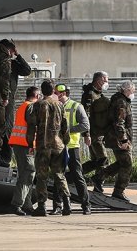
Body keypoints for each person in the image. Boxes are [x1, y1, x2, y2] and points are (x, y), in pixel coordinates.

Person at [27, 79, 70, 217]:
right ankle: (66, 204)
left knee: (42, 177)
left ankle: (42, 206)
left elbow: (32, 126)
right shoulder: (59, 105)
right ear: (53, 91)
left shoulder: (38, 105)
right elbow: (65, 125)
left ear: (42, 90)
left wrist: (30, 144)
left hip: (43, 145)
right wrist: (66, 141)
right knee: (59, 175)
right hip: (58, 145)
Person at [52, 84, 92, 215]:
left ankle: (86, 205)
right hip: (58, 146)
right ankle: (57, 206)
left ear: (63, 94)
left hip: (72, 146)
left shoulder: (76, 106)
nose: (54, 95)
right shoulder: (54, 106)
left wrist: (68, 130)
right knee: (58, 176)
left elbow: (85, 125)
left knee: (77, 176)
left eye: (56, 93)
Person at [101, 80, 135, 202]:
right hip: (118, 139)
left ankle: (99, 177)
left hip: (116, 137)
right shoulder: (121, 102)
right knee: (127, 164)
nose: (133, 93)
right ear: (126, 90)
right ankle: (118, 191)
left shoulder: (122, 100)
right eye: (132, 90)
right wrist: (124, 139)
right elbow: (119, 123)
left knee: (122, 163)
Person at [8, 86, 39, 216]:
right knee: (28, 173)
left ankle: (27, 205)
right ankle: (17, 204)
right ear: (36, 96)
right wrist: (33, 144)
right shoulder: (31, 107)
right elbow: (32, 127)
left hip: (19, 144)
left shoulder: (23, 106)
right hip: (25, 145)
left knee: (25, 174)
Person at [0, 39, 31, 162]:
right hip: (5, 99)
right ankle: (5, 157)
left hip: (4, 99)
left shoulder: (12, 63)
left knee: (3, 126)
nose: (13, 53)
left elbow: (27, 70)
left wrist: (18, 56)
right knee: (6, 127)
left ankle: (3, 156)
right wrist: (17, 54)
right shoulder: (2, 62)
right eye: (13, 51)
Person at [81, 71, 111, 192]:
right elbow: (85, 116)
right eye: (105, 80)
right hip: (94, 134)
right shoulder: (90, 95)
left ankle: (73, 175)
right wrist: (86, 134)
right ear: (99, 80)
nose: (107, 83)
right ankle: (98, 182)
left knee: (96, 161)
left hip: (99, 133)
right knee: (104, 159)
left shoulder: (99, 94)